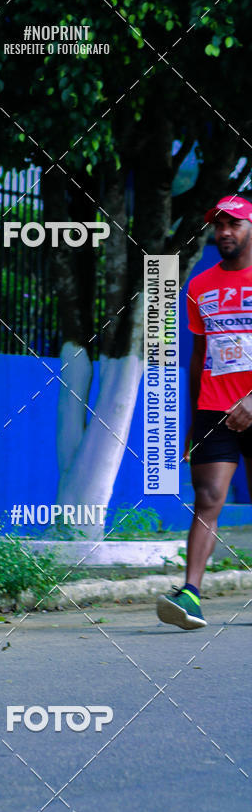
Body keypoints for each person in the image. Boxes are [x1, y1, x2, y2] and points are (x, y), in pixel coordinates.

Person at [157, 195, 252, 630]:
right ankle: (192, 594)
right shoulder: (200, 284)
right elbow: (198, 355)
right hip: (215, 407)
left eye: (234, 224)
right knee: (208, 498)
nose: (224, 233)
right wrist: (194, 420)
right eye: (219, 225)